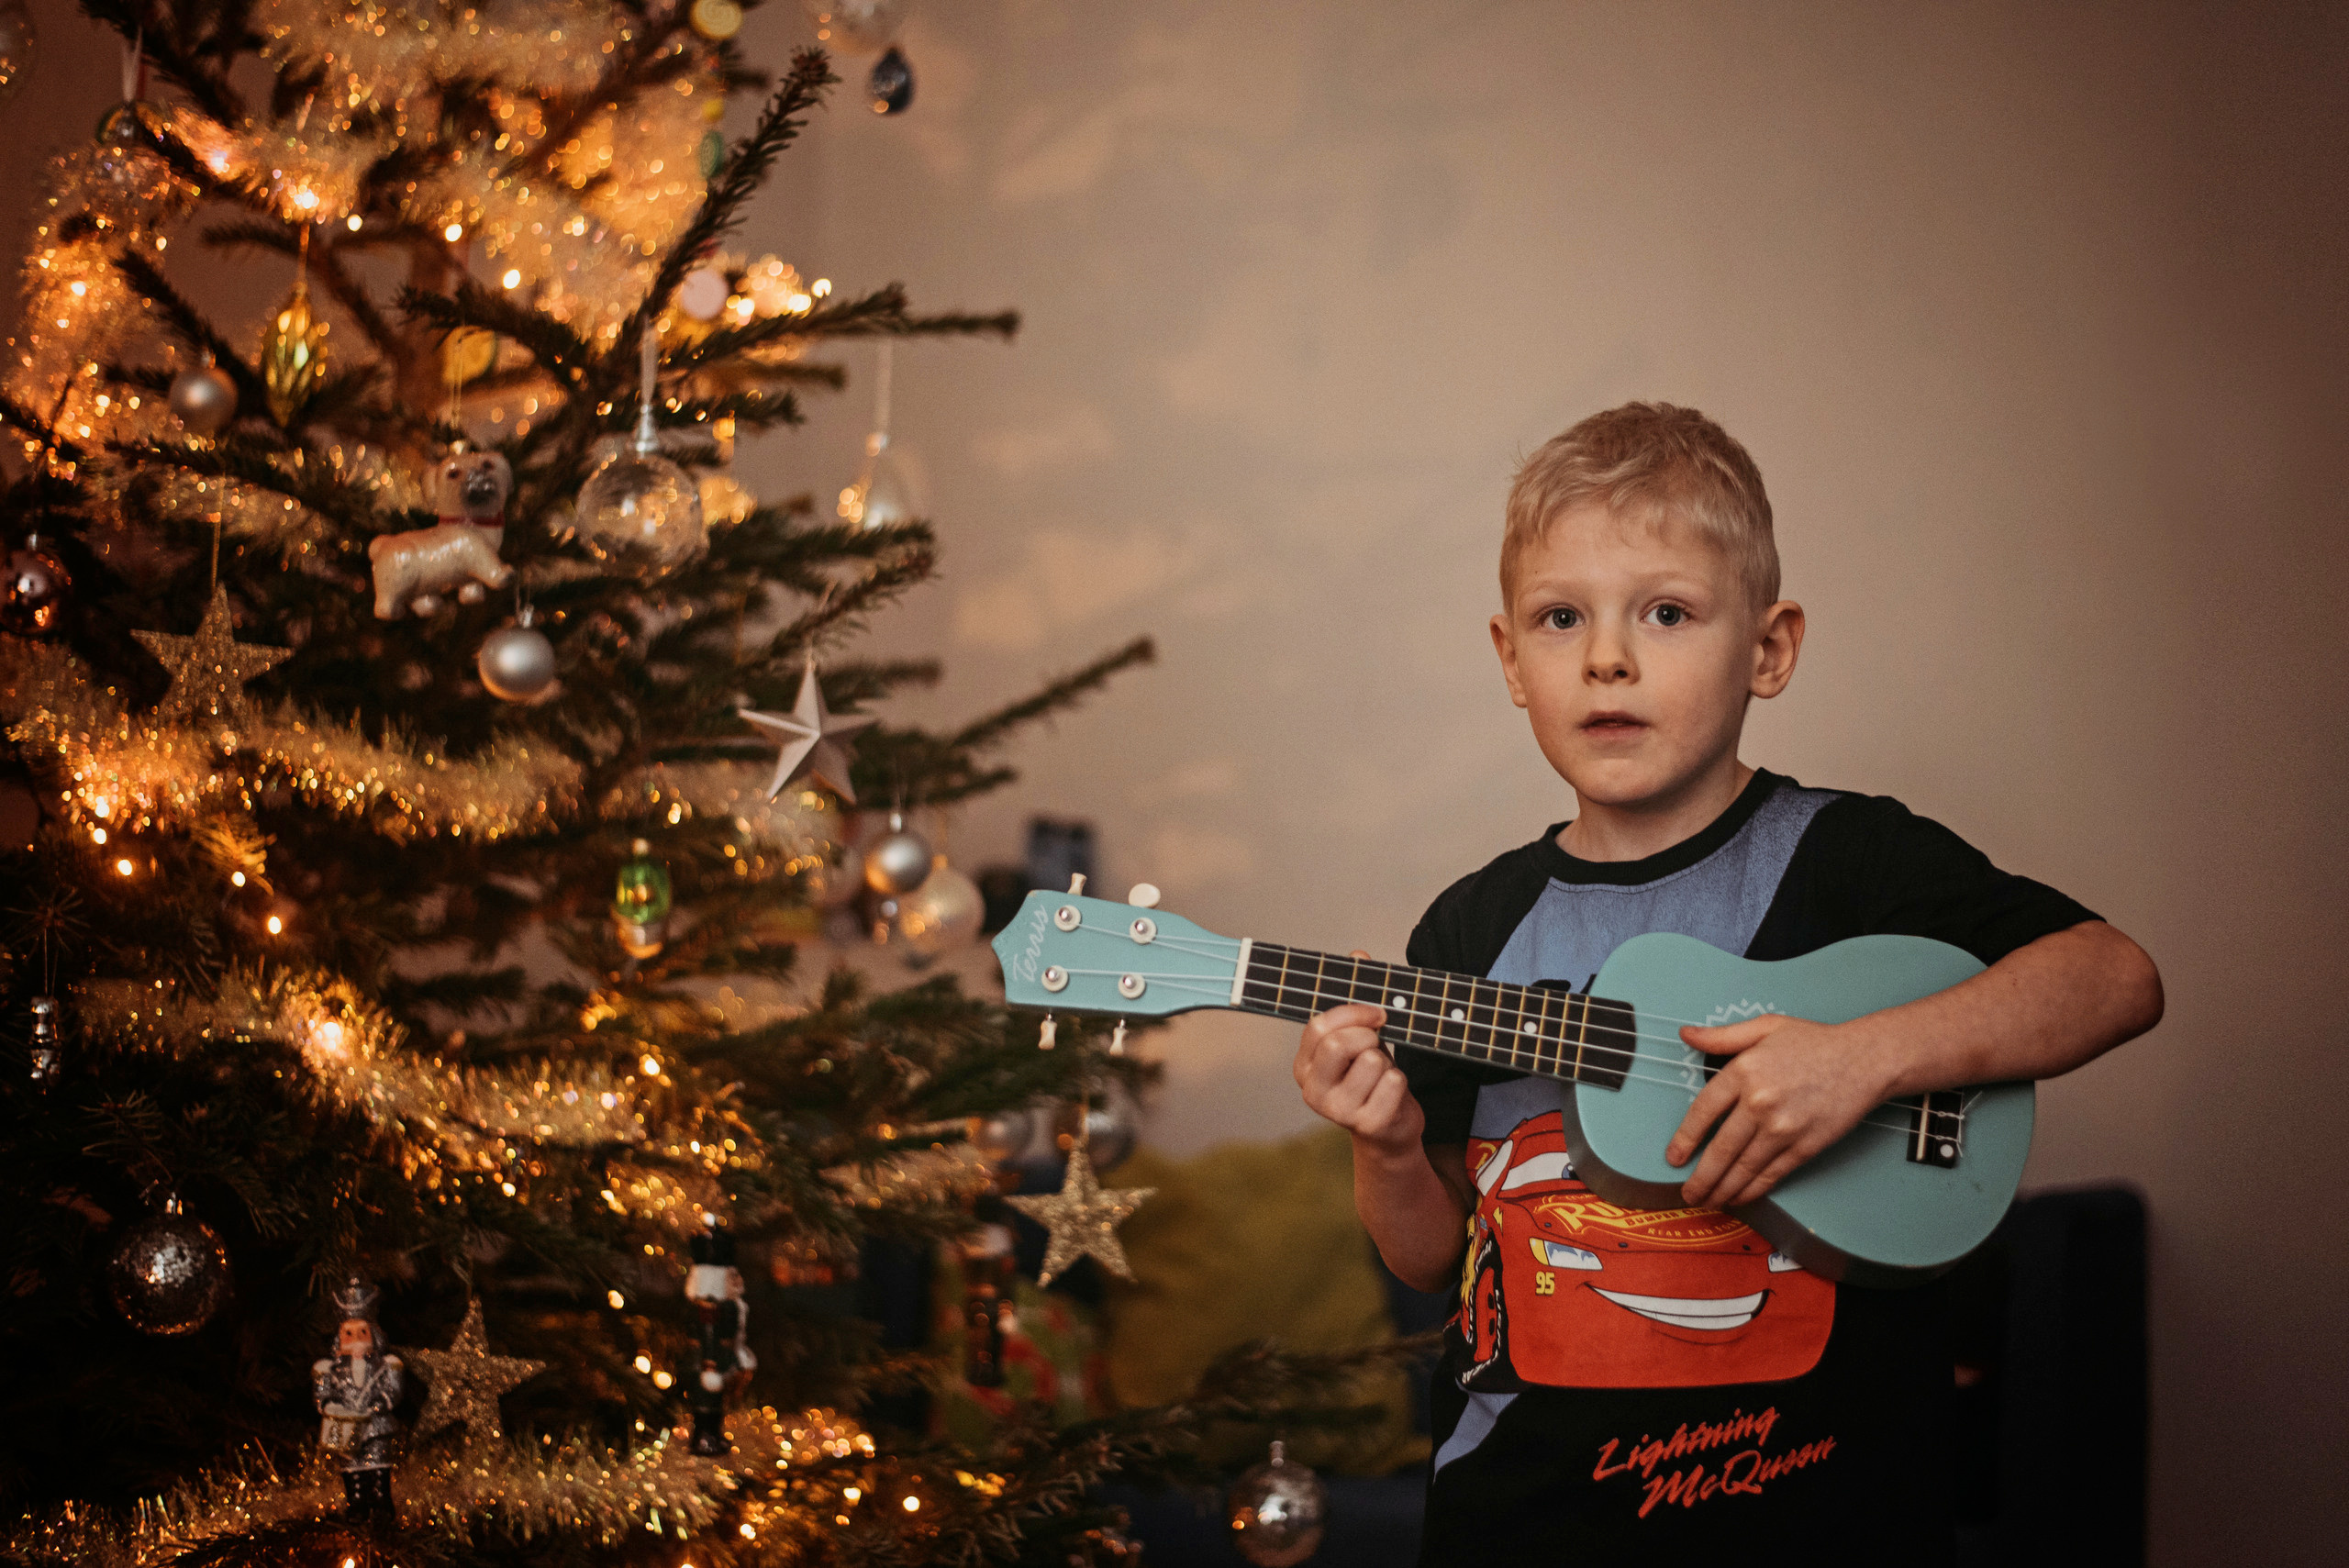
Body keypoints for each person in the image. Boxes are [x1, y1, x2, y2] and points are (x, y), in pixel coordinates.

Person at [1290, 402, 2162, 1564]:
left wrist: (1859, 1058)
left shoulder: (1851, 859)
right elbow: (1428, 1256)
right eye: (1561, 618)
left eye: (1665, 612)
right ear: (1510, 659)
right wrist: (1384, 1145)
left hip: (1822, 1520)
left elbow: (2115, 975)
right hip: (1523, 1522)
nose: (1607, 655)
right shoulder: (1473, 922)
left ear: (1769, 646)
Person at [314, 1273, 405, 1518]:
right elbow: (323, 1394)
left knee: (377, 1468)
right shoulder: (331, 1371)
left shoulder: (386, 1366)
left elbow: (393, 1391)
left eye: (361, 1333)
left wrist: (378, 1404)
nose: (355, 1341)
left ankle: (382, 1503)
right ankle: (356, 1504)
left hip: (376, 1427)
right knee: (353, 1469)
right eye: (348, 1334)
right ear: (339, 1340)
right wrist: (331, 1405)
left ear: (374, 1336)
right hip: (346, 1429)